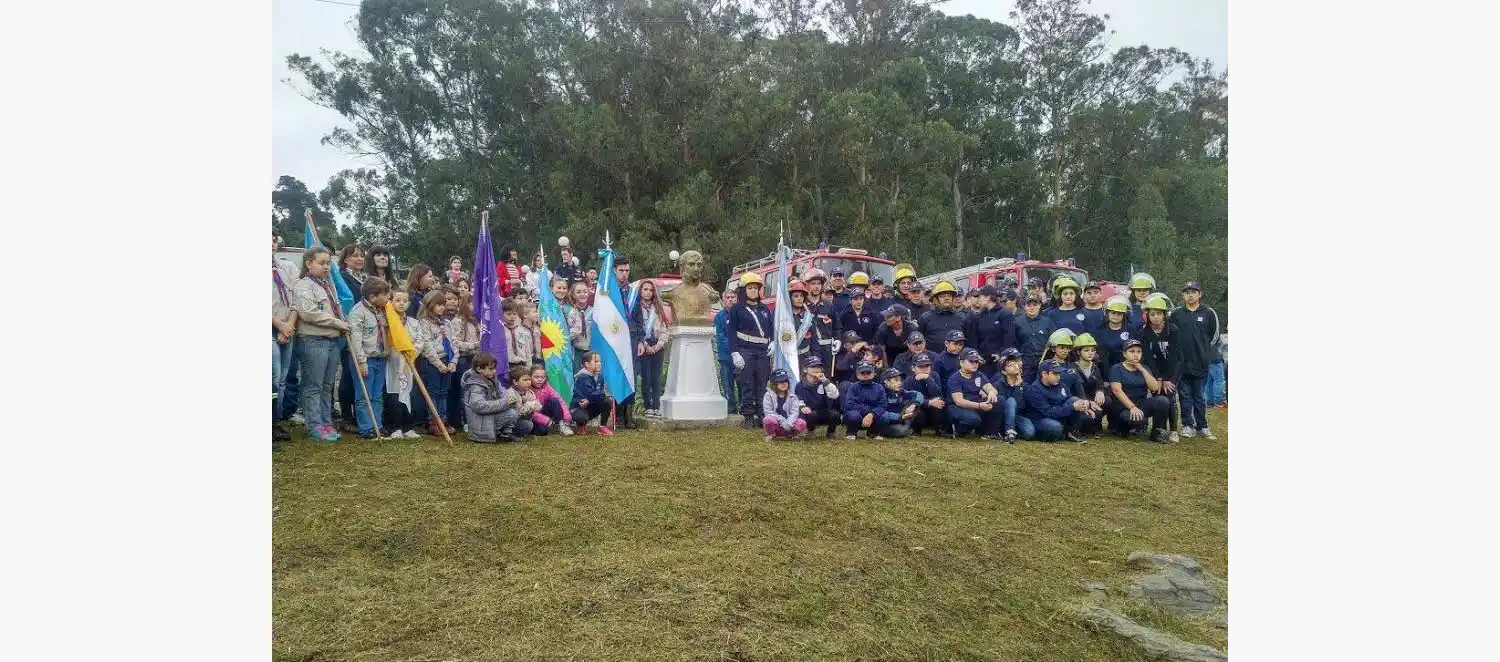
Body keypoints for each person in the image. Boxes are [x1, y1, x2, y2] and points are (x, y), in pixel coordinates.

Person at [292, 247, 352, 442]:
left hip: (332, 340)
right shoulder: (303, 285)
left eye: (328, 263)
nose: (326, 266)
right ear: (309, 263)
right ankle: (315, 425)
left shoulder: (328, 285)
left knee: (327, 385)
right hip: (313, 340)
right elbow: (308, 312)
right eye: (322, 263)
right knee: (313, 384)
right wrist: (336, 323)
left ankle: (326, 422)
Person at [1166, 282, 1221, 440]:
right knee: (1184, 395)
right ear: (1182, 295)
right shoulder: (1175, 313)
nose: (1190, 295)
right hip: (1181, 364)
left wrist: (1204, 352)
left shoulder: (1209, 313)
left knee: (1199, 396)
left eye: (1194, 292)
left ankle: (1202, 426)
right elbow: (1170, 334)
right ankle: (1188, 425)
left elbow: (1214, 335)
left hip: (1201, 362)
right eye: (1187, 292)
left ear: (1200, 294)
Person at [728, 272, 774, 429]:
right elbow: (731, 332)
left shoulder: (765, 308)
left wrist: (773, 342)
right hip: (745, 350)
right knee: (747, 384)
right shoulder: (736, 309)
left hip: (762, 352)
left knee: (762, 384)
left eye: (756, 288)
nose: (754, 290)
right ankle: (748, 415)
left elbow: (771, 328)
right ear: (743, 290)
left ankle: (762, 415)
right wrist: (735, 352)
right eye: (750, 287)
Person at [346, 278, 391, 439]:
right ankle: (366, 427)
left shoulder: (383, 310)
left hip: (381, 358)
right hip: (366, 359)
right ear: (372, 297)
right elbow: (356, 340)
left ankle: (377, 424)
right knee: (364, 394)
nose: (388, 298)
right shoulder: (357, 312)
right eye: (385, 295)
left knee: (377, 394)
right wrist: (361, 362)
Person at [1108, 339, 1172, 441]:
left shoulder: (1144, 368)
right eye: (1132, 351)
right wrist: (1132, 407)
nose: (1136, 355)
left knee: (1162, 401)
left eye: (1139, 352)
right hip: (1123, 407)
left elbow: (1155, 388)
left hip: (1141, 403)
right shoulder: (1116, 368)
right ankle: (1123, 428)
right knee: (1138, 421)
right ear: (1124, 354)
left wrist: (1142, 369)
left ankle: (1157, 432)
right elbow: (1117, 391)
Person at [413, 292, 457, 437]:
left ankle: (443, 420)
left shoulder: (447, 323)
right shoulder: (424, 323)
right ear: (429, 305)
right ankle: (433, 421)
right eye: (438, 304)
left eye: (443, 305)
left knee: (444, 393)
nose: (441, 307)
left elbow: (453, 343)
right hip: (432, 362)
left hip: (447, 361)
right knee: (433, 392)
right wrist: (438, 364)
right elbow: (426, 346)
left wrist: (453, 361)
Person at [1138, 294, 1181, 442]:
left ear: (1164, 315)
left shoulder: (1173, 330)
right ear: (1148, 315)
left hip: (1173, 368)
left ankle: (1174, 429)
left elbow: (1175, 357)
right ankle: (1159, 429)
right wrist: (1158, 378)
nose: (1155, 317)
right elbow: (1148, 357)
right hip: (1155, 370)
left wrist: (1168, 379)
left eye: (1159, 314)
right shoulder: (1144, 332)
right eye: (1152, 314)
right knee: (1158, 395)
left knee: (1169, 395)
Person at [1021, 359, 1095, 443]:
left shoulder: (1060, 385)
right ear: (1044, 374)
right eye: (1055, 374)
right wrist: (1072, 407)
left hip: (1059, 415)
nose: (1058, 377)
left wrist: (1083, 404)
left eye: (1059, 374)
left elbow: (1069, 400)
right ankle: (1055, 433)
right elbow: (1048, 412)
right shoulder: (1035, 390)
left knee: (1076, 401)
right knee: (1055, 427)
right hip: (1041, 419)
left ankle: (1072, 432)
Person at [271, 232, 300, 446]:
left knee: (282, 379)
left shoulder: (287, 267)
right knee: (270, 378)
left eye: (274, 239)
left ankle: (276, 421)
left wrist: (288, 324)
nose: (271, 243)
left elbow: (296, 298)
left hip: (287, 327)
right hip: (272, 325)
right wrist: (278, 324)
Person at [381, 290, 421, 438]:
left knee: (408, 392)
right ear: (391, 302)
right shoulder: (388, 321)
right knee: (393, 393)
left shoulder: (413, 323)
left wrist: (410, 352)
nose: (402, 303)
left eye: (405, 300)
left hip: (408, 362)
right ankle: (394, 426)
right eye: (398, 300)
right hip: (392, 362)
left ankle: (407, 426)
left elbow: (419, 341)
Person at [462, 352, 525, 443]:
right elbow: (479, 406)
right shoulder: (475, 386)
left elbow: (502, 392)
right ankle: (499, 434)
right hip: (481, 423)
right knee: (511, 413)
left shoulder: (491, 378)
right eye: (491, 369)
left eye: (495, 368)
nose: (495, 371)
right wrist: (505, 403)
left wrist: (510, 398)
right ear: (479, 369)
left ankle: (505, 434)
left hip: (488, 417)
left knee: (514, 411)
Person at [634, 278, 671, 418]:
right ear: (640, 291)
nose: (648, 292)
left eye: (651, 290)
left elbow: (664, 329)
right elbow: (636, 328)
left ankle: (656, 405)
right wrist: (644, 344)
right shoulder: (636, 307)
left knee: (656, 378)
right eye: (645, 289)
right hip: (642, 346)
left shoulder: (658, 308)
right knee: (646, 378)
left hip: (657, 346)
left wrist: (657, 346)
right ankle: (648, 406)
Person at [946, 348, 1002, 439]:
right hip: (957, 407)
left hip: (975, 404)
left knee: (999, 400)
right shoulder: (954, 378)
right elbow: (959, 401)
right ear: (961, 362)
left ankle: (991, 432)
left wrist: (992, 392)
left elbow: (991, 388)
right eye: (971, 361)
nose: (975, 364)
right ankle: (958, 429)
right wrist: (979, 406)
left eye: (976, 361)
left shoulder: (979, 375)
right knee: (973, 419)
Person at [446, 288, 481, 429]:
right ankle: (463, 419)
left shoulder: (476, 321)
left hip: (476, 359)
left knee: (474, 390)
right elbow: (455, 343)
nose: (475, 307)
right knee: (464, 391)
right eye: (472, 304)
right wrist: (474, 345)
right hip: (463, 359)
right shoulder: (457, 321)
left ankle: (474, 417)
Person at [1068, 333, 1111, 436]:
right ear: (1078, 352)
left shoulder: (1096, 366)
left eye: (1093, 350)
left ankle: (1097, 424)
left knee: (1108, 400)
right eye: (1086, 350)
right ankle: (1083, 426)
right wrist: (1086, 402)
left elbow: (1100, 382)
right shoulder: (1072, 368)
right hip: (1079, 401)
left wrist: (1100, 391)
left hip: (1093, 399)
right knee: (1085, 418)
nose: (1090, 353)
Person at [971, 285, 1016, 377]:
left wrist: (1001, 354)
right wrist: (976, 355)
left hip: (1001, 363)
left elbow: (1009, 338)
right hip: (983, 362)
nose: (978, 299)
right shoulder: (979, 316)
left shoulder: (1005, 314)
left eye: (980, 297)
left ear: (988, 298)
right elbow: (974, 338)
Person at [794, 356, 841, 439]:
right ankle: (810, 430)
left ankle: (831, 432)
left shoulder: (825, 382)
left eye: (818, 367)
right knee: (809, 414)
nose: (816, 369)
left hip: (824, 411)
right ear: (805, 369)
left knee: (836, 415)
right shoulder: (799, 385)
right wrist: (803, 407)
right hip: (810, 412)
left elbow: (835, 395)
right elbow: (798, 399)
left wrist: (825, 381)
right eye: (812, 366)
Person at [1014, 293, 1057, 383]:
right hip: (1025, 360)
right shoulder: (1017, 322)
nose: (1032, 307)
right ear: (1024, 306)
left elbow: (1054, 342)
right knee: (1025, 385)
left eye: (1035, 305)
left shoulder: (1048, 322)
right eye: (1028, 305)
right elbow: (1013, 342)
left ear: (1040, 305)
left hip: (1044, 359)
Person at [902, 354, 948, 437]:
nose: (924, 369)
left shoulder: (934, 376)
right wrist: (928, 402)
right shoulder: (909, 380)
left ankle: (940, 430)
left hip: (933, 406)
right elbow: (908, 400)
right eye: (920, 367)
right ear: (913, 368)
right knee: (916, 411)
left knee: (939, 405)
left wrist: (928, 378)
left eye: (927, 366)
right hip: (919, 407)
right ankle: (916, 430)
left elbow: (937, 394)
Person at [570, 352, 615, 435]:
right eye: (596, 361)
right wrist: (596, 396)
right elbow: (592, 394)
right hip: (579, 407)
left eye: (600, 361)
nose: (599, 364)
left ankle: (602, 427)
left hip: (590, 404)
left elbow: (599, 393)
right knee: (581, 417)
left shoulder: (600, 376)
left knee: (608, 401)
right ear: (587, 364)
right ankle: (580, 425)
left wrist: (590, 399)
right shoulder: (582, 377)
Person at [841, 361, 885, 440]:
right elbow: (850, 404)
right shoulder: (853, 387)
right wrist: (867, 412)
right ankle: (851, 432)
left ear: (874, 373)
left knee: (884, 416)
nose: (866, 375)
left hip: (872, 416)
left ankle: (872, 433)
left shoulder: (879, 388)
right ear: (857, 375)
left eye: (868, 373)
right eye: (862, 373)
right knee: (853, 415)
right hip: (857, 415)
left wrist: (872, 414)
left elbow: (882, 405)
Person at [527, 364, 575, 436]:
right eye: (536, 377)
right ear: (530, 377)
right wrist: (545, 420)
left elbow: (560, 400)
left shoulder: (546, 386)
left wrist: (566, 415)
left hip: (544, 411)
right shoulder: (527, 389)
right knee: (542, 431)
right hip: (532, 416)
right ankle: (546, 425)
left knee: (554, 400)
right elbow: (530, 412)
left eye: (542, 377)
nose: (540, 379)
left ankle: (562, 425)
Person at [872, 368, 921, 439]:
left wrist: (914, 404)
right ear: (886, 381)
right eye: (896, 380)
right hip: (886, 422)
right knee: (900, 430)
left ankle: (907, 429)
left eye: (900, 380)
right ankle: (907, 430)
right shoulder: (880, 393)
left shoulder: (901, 391)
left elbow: (918, 394)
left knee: (917, 409)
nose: (900, 383)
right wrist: (900, 416)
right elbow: (881, 413)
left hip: (899, 419)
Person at [713, 289, 739, 415]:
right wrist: (733, 348)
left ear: (737, 299)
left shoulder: (741, 314)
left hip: (742, 357)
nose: (730, 299)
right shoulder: (719, 317)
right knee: (727, 386)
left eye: (733, 297)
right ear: (723, 301)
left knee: (742, 384)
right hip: (726, 357)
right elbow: (720, 336)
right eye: (727, 297)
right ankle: (731, 411)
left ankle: (746, 410)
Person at [761, 368, 807, 440]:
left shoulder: (793, 397)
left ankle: (792, 434)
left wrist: (788, 423)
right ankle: (771, 434)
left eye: (786, 381)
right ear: (774, 383)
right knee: (768, 419)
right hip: (777, 424)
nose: (784, 383)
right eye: (780, 381)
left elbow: (795, 413)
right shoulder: (768, 395)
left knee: (802, 422)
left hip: (789, 425)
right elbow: (768, 412)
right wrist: (782, 420)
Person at [993, 349, 1027, 443]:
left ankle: (1013, 430)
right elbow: (1001, 405)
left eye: (1015, 363)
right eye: (1010, 365)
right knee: (1011, 401)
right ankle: (1009, 432)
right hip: (1002, 417)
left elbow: (1021, 406)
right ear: (1004, 371)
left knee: (1029, 433)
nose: (1016, 366)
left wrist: (1018, 386)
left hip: (1018, 415)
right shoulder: (997, 384)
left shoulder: (1024, 384)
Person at [1095, 295, 1137, 371]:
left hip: (1126, 369)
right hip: (1104, 369)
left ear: (1124, 315)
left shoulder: (1130, 330)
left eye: (1119, 314)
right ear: (1108, 313)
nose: (1116, 316)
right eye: (1113, 313)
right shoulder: (1100, 331)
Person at [567, 280, 593, 371]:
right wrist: (576, 331)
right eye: (578, 292)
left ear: (588, 293)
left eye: (585, 291)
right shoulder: (570, 312)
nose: (582, 294)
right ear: (573, 295)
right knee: (577, 374)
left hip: (592, 350)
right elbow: (566, 334)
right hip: (576, 350)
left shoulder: (594, 311)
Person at [503, 299, 534, 373]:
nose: (512, 317)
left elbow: (527, 351)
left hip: (522, 365)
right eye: (508, 314)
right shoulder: (500, 332)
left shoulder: (522, 330)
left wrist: (529, 368)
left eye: (514, 314)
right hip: (507, 366)